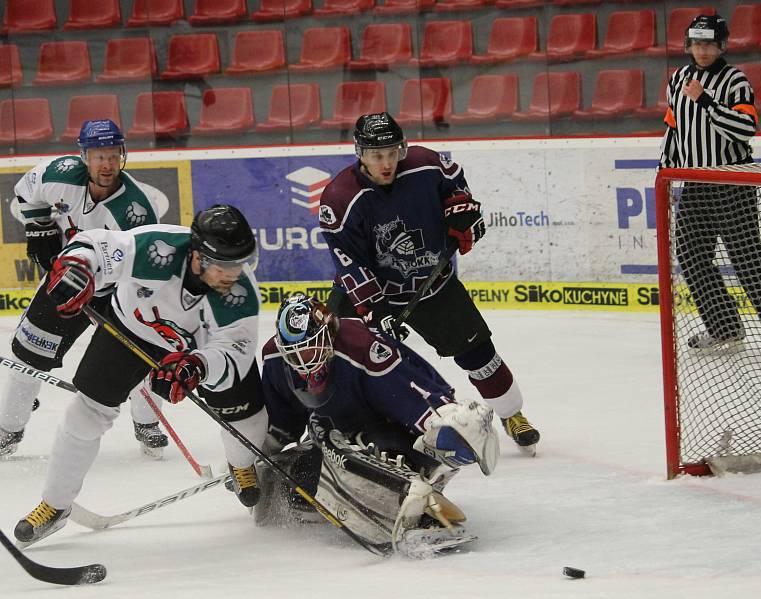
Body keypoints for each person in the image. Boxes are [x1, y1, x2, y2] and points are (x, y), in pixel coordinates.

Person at [13, 205, 270, 546]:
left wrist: (199, 366)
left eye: (239, 263)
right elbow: (99, 247)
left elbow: (235, 349)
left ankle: (241, 465)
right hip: (131, 330)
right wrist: (79, 266)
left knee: (247, 416)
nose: (233, 274)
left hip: (199, 350)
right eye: (224, 265)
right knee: (85, 414)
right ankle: (55, 505)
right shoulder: (157, 248)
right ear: (197, 255)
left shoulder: (239, 292)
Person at [318, 112, 539, 455]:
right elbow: (349, 262)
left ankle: (512, 413)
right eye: (378, 155)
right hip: (373, 292)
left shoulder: (426, 165)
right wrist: (374, 309)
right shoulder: (340, 199)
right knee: (332, 353)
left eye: (393, 152)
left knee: (478, 353)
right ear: (360, 153)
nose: (388, 162)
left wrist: (462, 213)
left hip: (432, 283)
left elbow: (456, 187)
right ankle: (324, 425)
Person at [257, 293, 499, 555]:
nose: (303, 360)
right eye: (295, 353)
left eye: (310, 347)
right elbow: (282, 422)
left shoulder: (364, 349)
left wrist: (446, 424)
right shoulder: (275, 357)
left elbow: (414, 396)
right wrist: (252, 459)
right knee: (290, 488)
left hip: (390, 428)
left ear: (328, 333)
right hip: (334, 430)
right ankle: (382, 500)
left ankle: (417, 506)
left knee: (381, 447)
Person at [0, 119, 171, 458]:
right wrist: (40, 227)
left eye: (112, 156)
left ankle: (146, 421)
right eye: (98, 156)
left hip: (115, 290)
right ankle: (8, 428)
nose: (106, 164)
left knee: (140, 355)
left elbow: (146, 271)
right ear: (84, 157)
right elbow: (25, 192)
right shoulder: (58, 173)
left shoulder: (136, 210)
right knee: (27, 357)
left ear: (121, 156)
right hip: (66, 282)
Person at [660, 14, 761, 356]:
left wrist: (707, 101)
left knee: (746, 257)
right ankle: (725, 328)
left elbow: (744, 128)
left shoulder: (735, 80)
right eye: (696, 43)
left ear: (721, 45)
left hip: (732, 179)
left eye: (708, 43)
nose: (702, 50)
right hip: (695, 182)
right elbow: (673, 129)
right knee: (691, 256)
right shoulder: (678, 79)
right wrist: (664, 172)